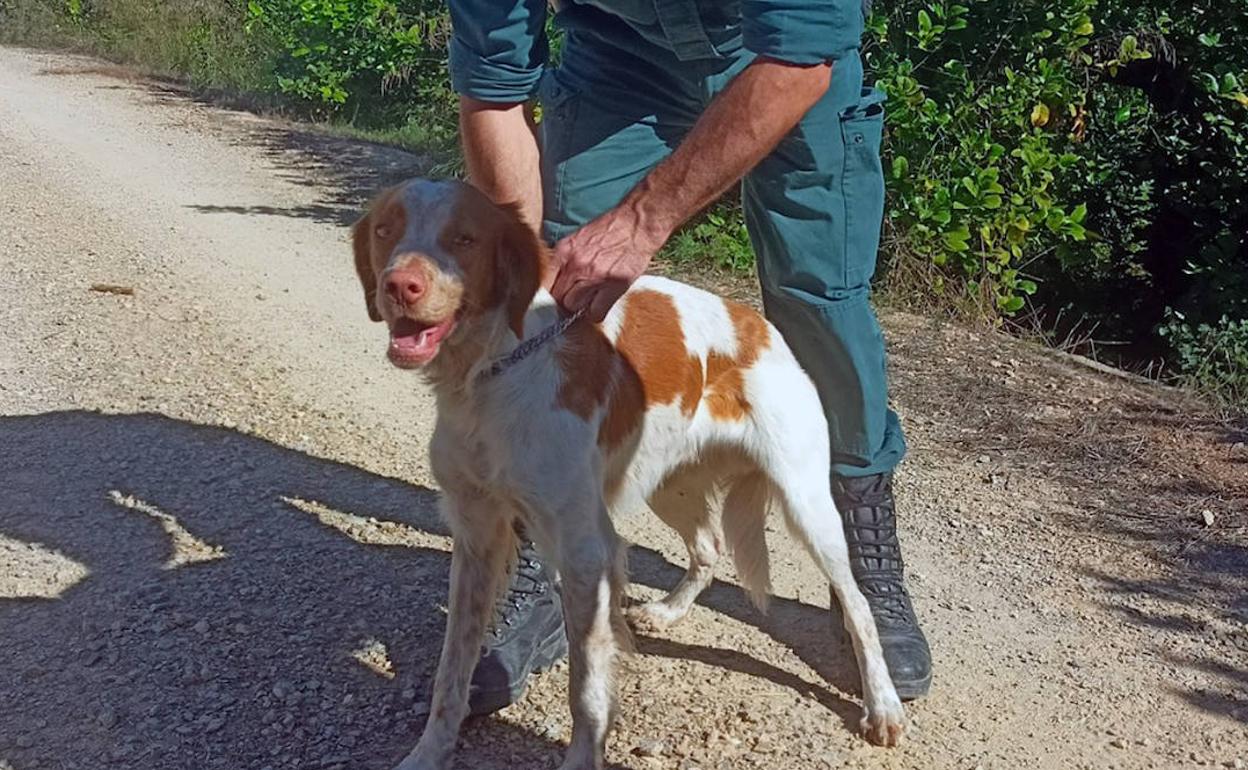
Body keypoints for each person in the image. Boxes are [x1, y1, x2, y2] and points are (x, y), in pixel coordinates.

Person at [446, 0, 931, 715]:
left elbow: (801, 54)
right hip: (618, 55)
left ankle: (861, 540)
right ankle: (541, 560)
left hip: (784, 55)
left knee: (819, 304)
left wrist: (643, 220)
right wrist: (527, 268)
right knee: (563, 295)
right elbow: (493, 82)